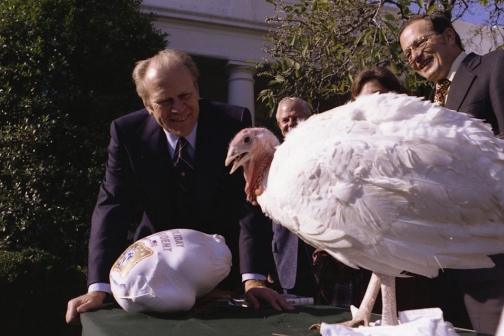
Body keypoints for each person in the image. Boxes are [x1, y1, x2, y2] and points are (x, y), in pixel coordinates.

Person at [66, 49, 293, 324]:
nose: (178, 108)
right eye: (165, 100)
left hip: (226, 274)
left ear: (196, 88)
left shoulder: (231, 123)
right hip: (156, 274)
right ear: (147, 103)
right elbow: (113, 206)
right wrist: (99, 287)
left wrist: (253, 279)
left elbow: (245, 203)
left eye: (185, 96)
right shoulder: (127, 133)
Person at [399, 15, 504, 334]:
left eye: (419, 43)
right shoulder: (427, 107)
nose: (414, 56)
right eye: (407, 53)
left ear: (448, 36)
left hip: (493, 262)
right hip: (446, 266)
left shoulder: (494, 66)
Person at [271, 97, 319, 298]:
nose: (290, 123)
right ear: (278, 124)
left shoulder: (326, 153)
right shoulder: (269, 160)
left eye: (296, 117)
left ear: (308, 119)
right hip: (283, 263)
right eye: (285, 120)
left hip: (323, 258)